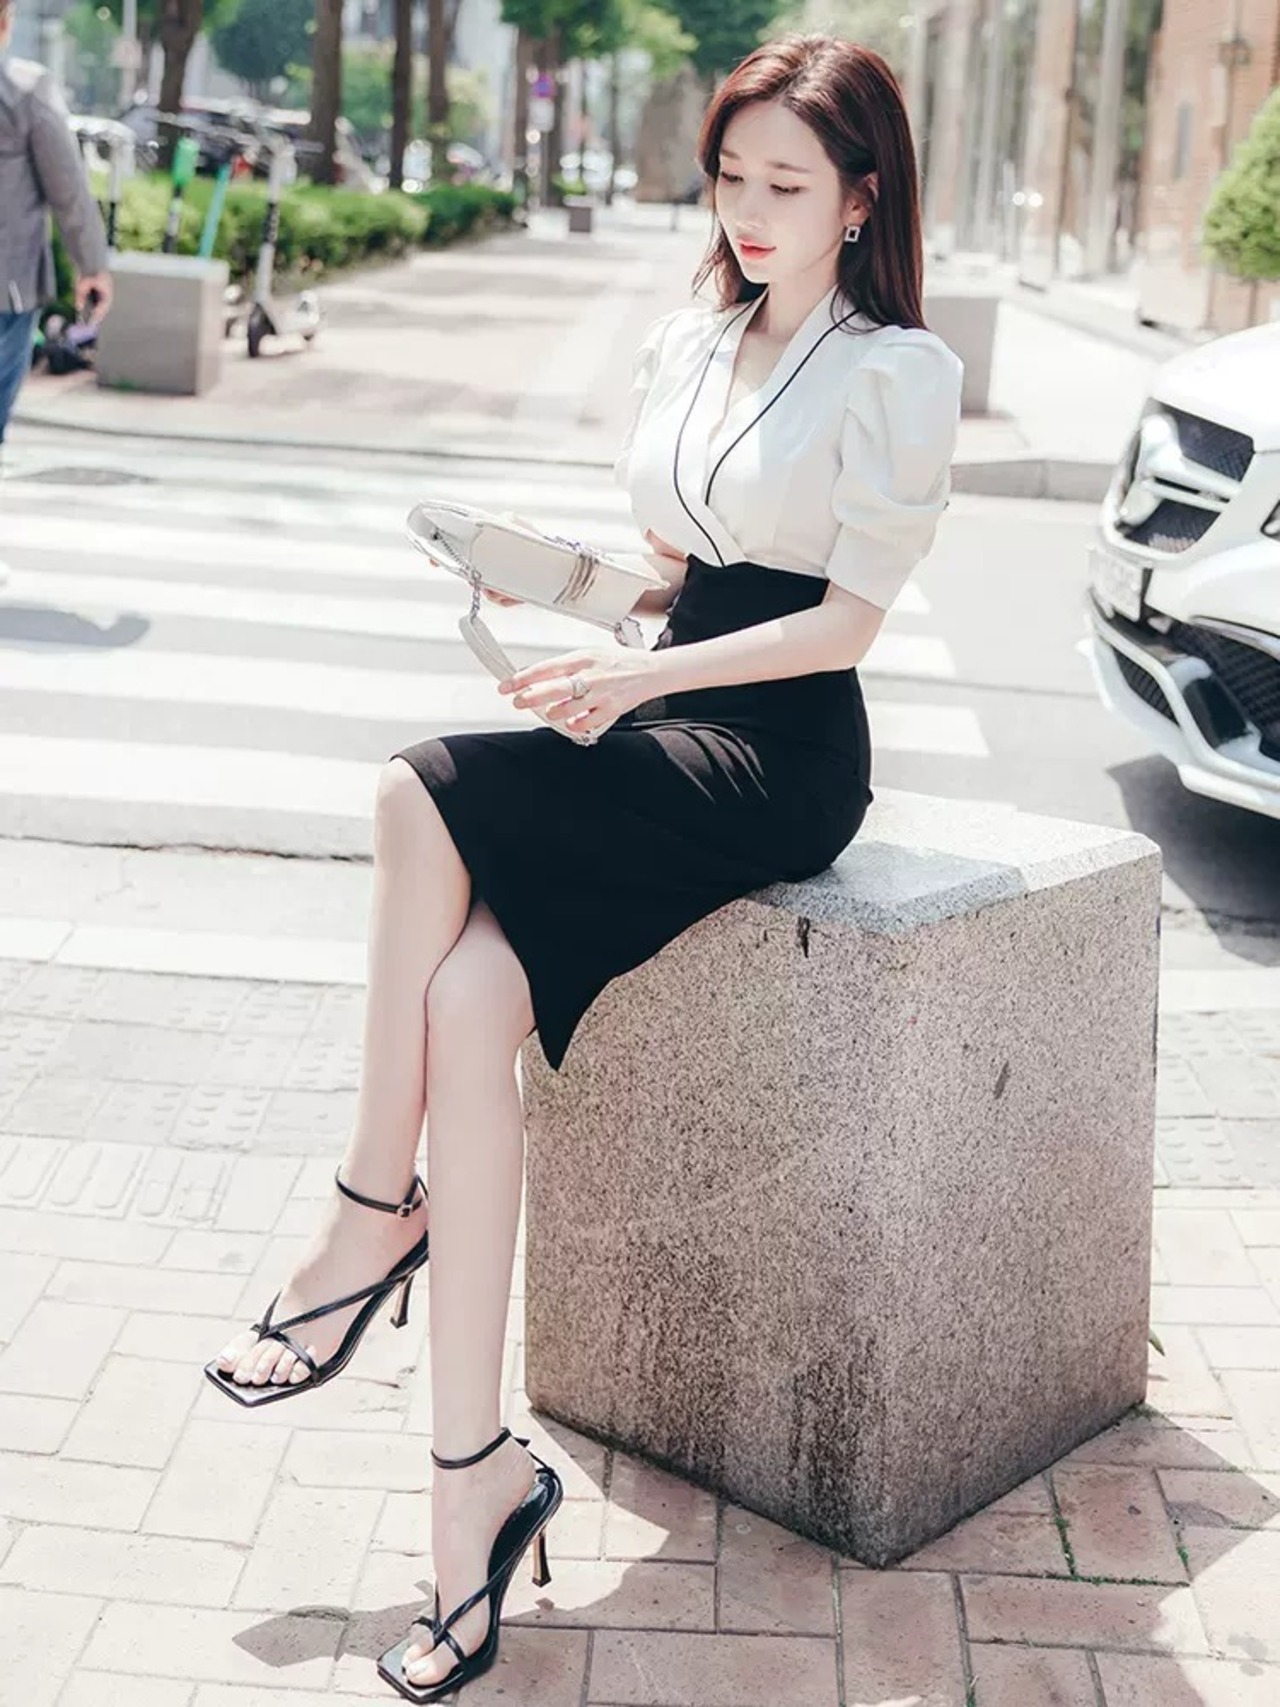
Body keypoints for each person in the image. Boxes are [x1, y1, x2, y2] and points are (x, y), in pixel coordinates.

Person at [205, 31, 963, 1705]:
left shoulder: (895, 370)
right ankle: (470, 1488)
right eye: (731, 174)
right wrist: (553, 588)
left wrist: (640, 678)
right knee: (466, 1002)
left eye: (787, 183)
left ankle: (366, 1214)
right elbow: (676, 577)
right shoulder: (697, 336)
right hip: (668, 698)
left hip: (779, 751)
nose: (749, 208)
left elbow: (838, 622)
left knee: (416, 791)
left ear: (861, 199)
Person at [0, 0, 113, 456]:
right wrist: (93, 266)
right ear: (5, 23)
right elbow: (68, 188)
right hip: (8, 287)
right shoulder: (24, 91)